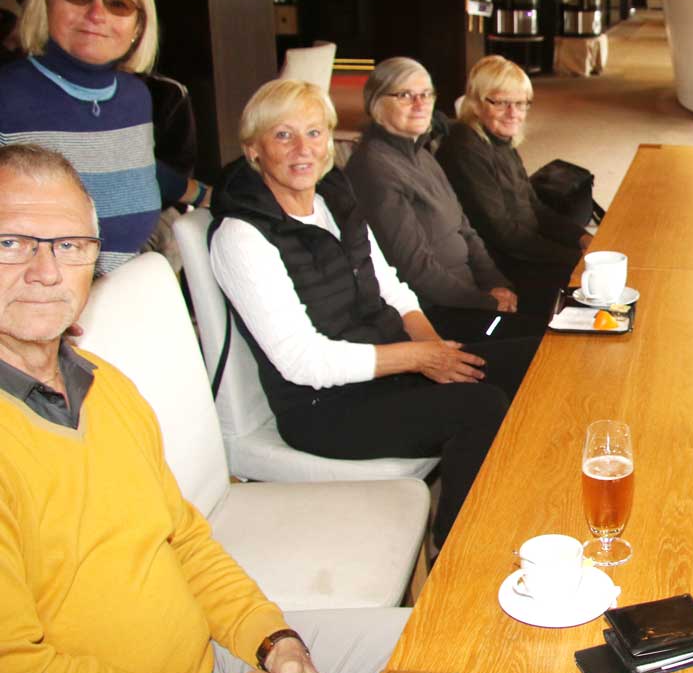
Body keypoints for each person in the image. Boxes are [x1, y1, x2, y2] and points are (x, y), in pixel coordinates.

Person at [0, 143, 406, 673]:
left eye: (69, 245)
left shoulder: (104, 385)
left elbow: (184, 542)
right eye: (11, 243)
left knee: (454, 648)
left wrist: (274, 641)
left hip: (208, 664)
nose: (46, 272)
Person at [208, 79, 514, 547]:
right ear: (253, 150)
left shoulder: (334, 199)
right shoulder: (242, 236)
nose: (303, 149)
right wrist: (419, 359)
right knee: (482, 407)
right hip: (324, 408)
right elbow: (301, 361)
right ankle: (455, 552)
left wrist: (435, 350)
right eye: (283, 135)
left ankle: (512, 504)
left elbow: (392, 287)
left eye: (314, 132)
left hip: (390, 367)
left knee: (528, 362)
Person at [0, 0, 207, 272]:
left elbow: (132, 167)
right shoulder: (8, 95)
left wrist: (204, 195)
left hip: (123, 288)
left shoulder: (135, 97)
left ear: (138, 26)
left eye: (118, 4)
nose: (97, 15)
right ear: (45, 1)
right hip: (37, 295)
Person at [345, 57, 546, 351]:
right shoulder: (374, 168)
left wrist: (496, 283)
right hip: (437, 313)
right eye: (405, 95)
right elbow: (415, 269)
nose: (420, 104)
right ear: (376, 103)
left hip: (470, 296)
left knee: (560, 313)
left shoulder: (421, 153)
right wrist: (484, 301)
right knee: (546, 346)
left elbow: (465, 229)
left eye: (426, 94)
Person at [437, 55, 591, 312]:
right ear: (476, 102)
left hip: (525, 247)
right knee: (594, 290)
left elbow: (534, 208)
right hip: (501, 265)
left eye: (520, 104)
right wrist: (576, 258)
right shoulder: (464, 149)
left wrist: (581, 238)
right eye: (501, 103)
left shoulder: (499, 139)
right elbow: (505, 236)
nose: (513, 113)